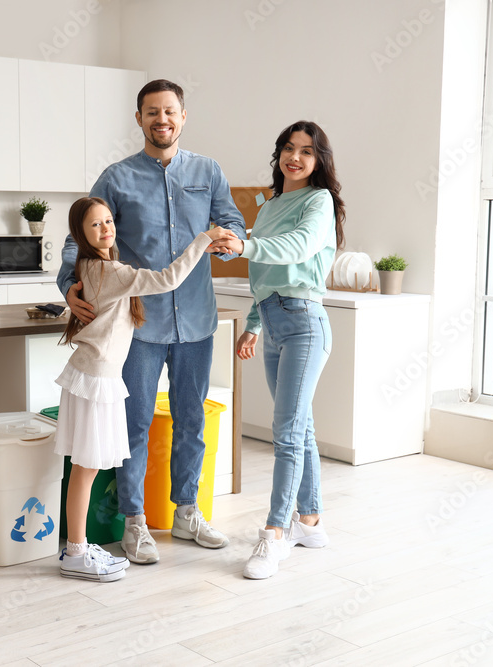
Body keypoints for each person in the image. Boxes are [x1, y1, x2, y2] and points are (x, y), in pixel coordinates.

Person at [57, 79, 246, 564]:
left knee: (191, 421)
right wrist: (71, 287)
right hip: (139, 328)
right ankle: (135, 521)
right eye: (151, 112)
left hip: (198, 321)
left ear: (183, 117)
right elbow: (77, 237)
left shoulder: (209, 171)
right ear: (138, 118)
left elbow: (232, 220)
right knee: (135, 424)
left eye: (170, 112)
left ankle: (187, 513)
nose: (161, 120)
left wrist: (231, 238)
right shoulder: (117, 178)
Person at [55, 196, 235, 582]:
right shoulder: (112, 271)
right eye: (95, 225)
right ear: (80, 234)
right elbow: (168, 279)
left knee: (84, 469)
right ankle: (76, 552)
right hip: (96, 381)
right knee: (85, 469)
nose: (105, 228)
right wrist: (202, 239)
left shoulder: (91, 267)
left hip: (91, 377)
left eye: (108, 221)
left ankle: (77, 548)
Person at [209, 120, 345, 579]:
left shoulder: (318, 201)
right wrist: (251, 324)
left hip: (306, 323)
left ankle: (274, 535)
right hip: (272, 322)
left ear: (318, 161)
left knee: (285, 433)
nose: (296, 157)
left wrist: (246, 243)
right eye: (289, 148)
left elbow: (298, 248)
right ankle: (310, 521)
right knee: (300, 429)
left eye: (307, 152)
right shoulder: (271, 205)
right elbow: (265, 276)